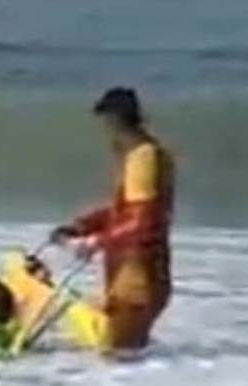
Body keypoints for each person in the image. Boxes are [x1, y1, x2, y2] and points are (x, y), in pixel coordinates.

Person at [51, 87, 175, 351]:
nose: (106, 135)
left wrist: (95, 242)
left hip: (138, 275)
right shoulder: (139, 157)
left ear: (115, 120)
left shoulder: (144, 158)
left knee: (117, 355)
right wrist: (82, 226)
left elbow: (145, 221)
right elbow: (124, 211)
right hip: (131, 273)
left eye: (106, 126)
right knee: (122, 357)